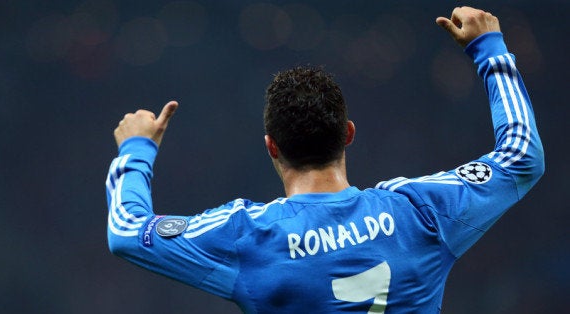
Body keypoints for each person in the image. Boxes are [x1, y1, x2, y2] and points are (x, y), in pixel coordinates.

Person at [105, 6, 544, 313]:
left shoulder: (248, 236)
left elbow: (126, 232)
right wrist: (490, 50)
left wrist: (137, 150)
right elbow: (521, 155)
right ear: (348, 134)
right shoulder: (420, 212)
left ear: (271, 146)